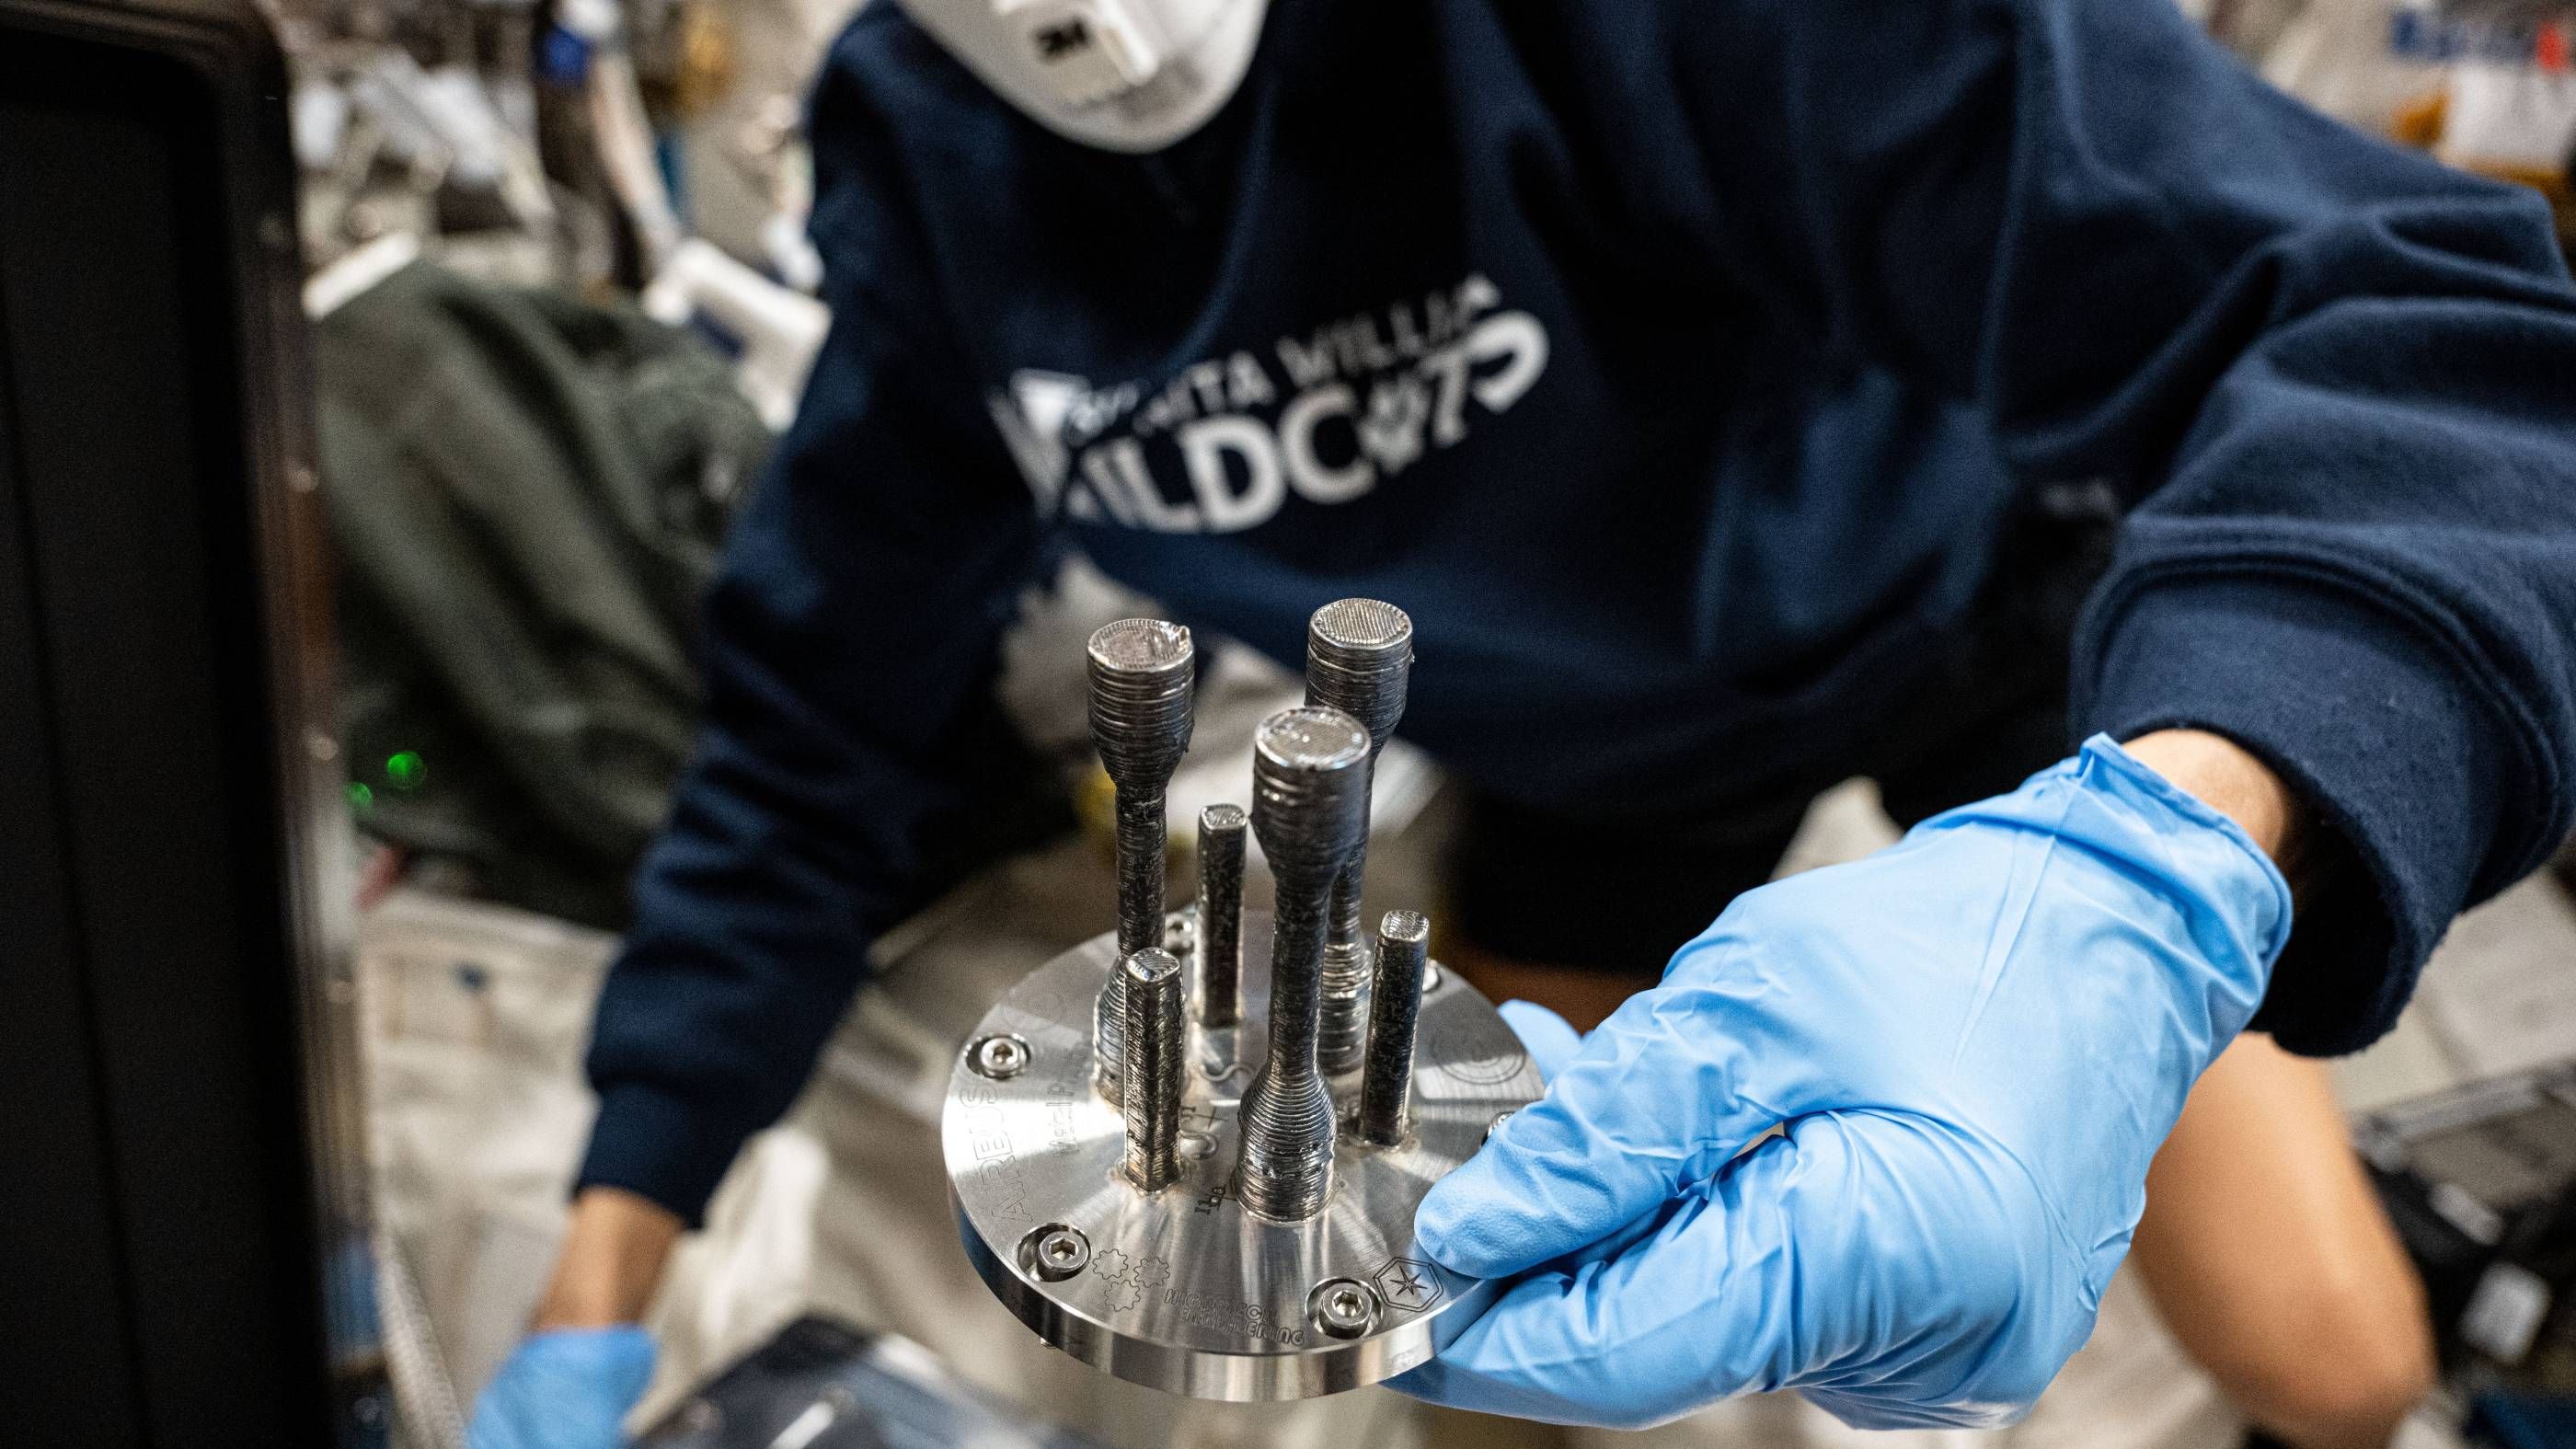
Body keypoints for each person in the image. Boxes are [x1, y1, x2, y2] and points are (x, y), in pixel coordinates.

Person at [468, 0, 2576, 1442]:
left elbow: (2435, 332)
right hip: (1592, 751)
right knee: (1491, 1349)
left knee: (2328, 1356)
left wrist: (2165, 852)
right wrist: (599, 1261)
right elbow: (804, 723)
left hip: (1982, 631)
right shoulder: (929, 158)